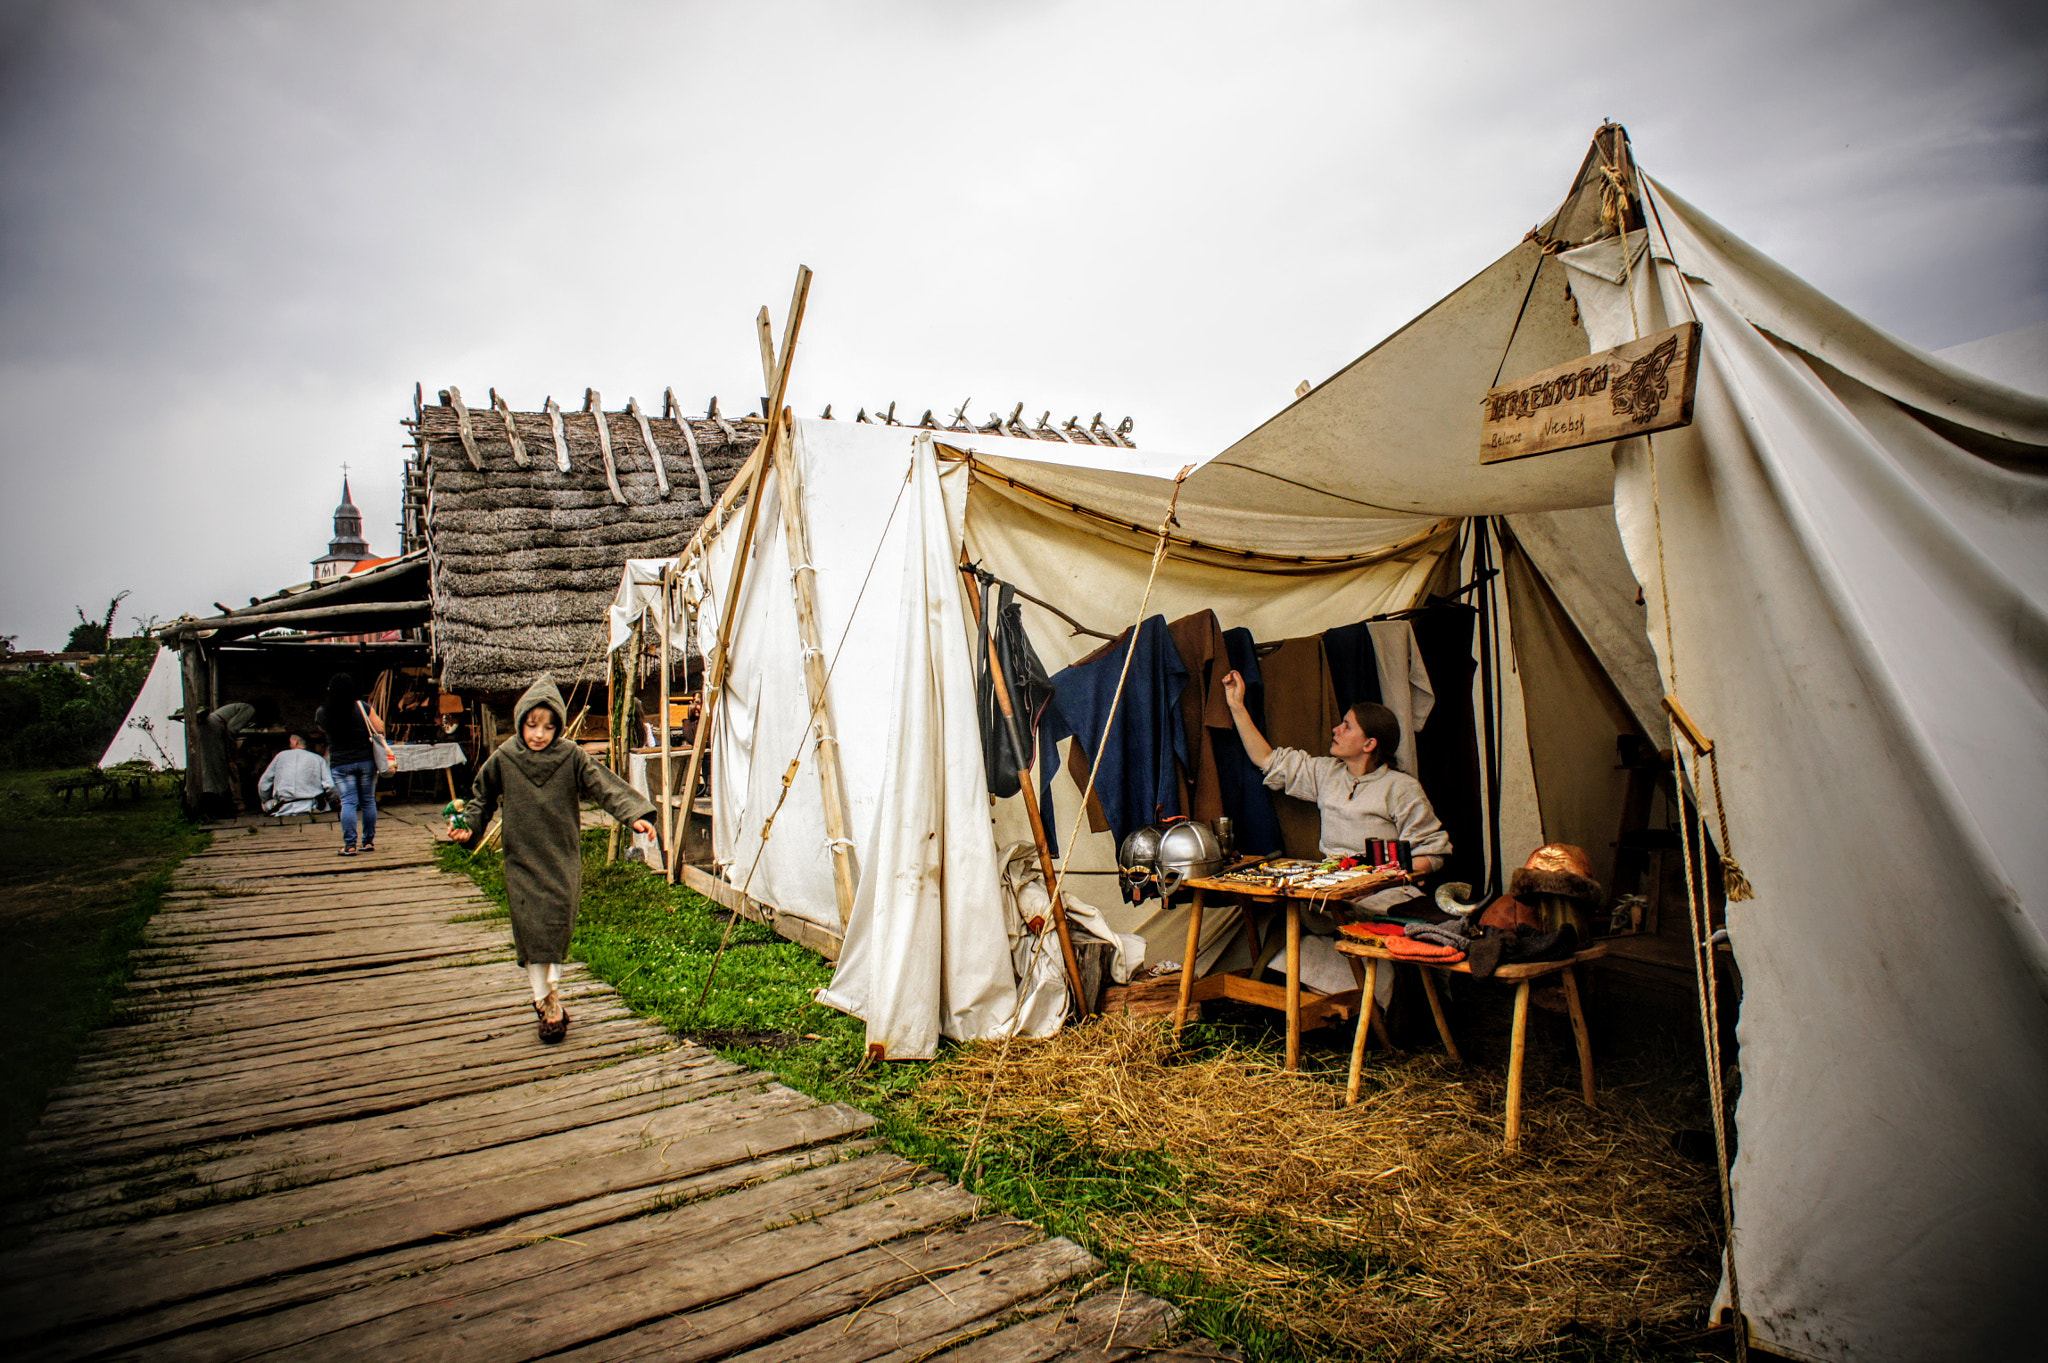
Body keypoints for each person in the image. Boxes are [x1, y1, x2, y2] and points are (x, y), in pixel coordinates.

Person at [450, 676, 657, 1043]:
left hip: (561, 858)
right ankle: (547, 1004)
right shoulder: (505, 758)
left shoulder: (571, 757)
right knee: (531, 933)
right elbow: (481, 797)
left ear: (559, 726)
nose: (539, 734)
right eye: (532, 726)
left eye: (548, 727)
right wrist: (469, 827)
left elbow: (604, 786)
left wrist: (634, 814)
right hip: (522, 860)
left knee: (556, 929)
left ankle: (550, 994)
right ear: (520, 722)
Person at [1220, 670, 1450, 918]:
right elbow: (1266, 759)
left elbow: (1430, 852)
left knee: (1396, 921)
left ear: (1369, 744)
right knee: (1284, 911)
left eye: (1346, 727)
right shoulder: (1326, 773)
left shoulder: (1400, 788)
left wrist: (1380, 879)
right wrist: (1237, 706)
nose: (1335, 729)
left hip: (1384, 895)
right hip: (1333, 891)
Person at [316, 673, 385, 855]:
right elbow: (380, 728)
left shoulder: (323, 712)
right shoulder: (363, 707)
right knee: (368, 801)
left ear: (331, 691)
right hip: (365, 761)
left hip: (341, 764)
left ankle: (350, 845)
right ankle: (368, 842)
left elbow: (323, 729)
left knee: (348, 802)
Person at [258, 733, 335, 816]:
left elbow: (263, 785)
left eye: (290, 742)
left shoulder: (280, 756)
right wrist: (331, 800)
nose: (289, 744)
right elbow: (331, 786)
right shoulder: (318, 759)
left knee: (266, 805)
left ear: (295, 742)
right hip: (312, 806)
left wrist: (266, 800)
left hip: (282, 806)